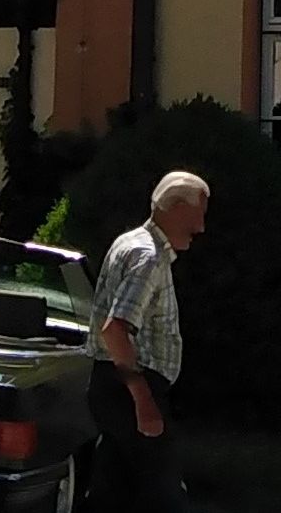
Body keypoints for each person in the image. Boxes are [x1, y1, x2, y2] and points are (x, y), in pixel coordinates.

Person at [87, 170, 207, 508]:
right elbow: (115, 329)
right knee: (164, 494)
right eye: (199, 214)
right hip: (131, 389)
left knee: (112, 492)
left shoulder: (129, 243)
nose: (201, 227)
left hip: (111, 386)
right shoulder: (148, 257)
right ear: (177, 207)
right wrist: (144, 401)